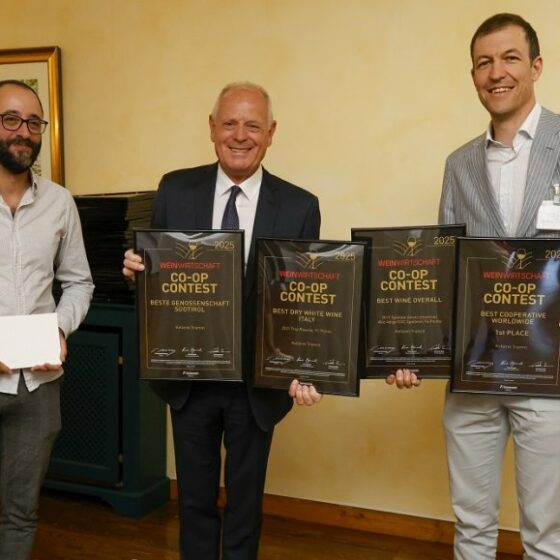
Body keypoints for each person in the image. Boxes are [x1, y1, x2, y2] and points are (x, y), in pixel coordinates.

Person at [123, 82, 322, 560]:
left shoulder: (300, 205)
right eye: (229, 123)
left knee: (245, 505)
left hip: (256, 384)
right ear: (212, 128)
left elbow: (301, 302)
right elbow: (158, 277)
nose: (240, 135)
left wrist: (308, 366)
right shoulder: (175, 189)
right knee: (193, 501)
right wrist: (136, 274)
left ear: (271, 133)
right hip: (189, 376)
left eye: (252, 125)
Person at [391, 13, 560, 559]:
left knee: (547, 535)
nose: (496, 72)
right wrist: (412, 349)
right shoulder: (459, 164)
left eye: (510, 58)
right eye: (484, 62)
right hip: (474, 374)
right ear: (473, 76)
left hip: (550, 375)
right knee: (471, 526)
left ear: (536, 65)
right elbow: (444, 273)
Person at [0, 80, 93, 560]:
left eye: (33, 122)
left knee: (20, 513)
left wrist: (59, 329)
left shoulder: (60, 202)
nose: (24, 131)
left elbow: (79, 282)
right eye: (11, 119)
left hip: (36, 386)